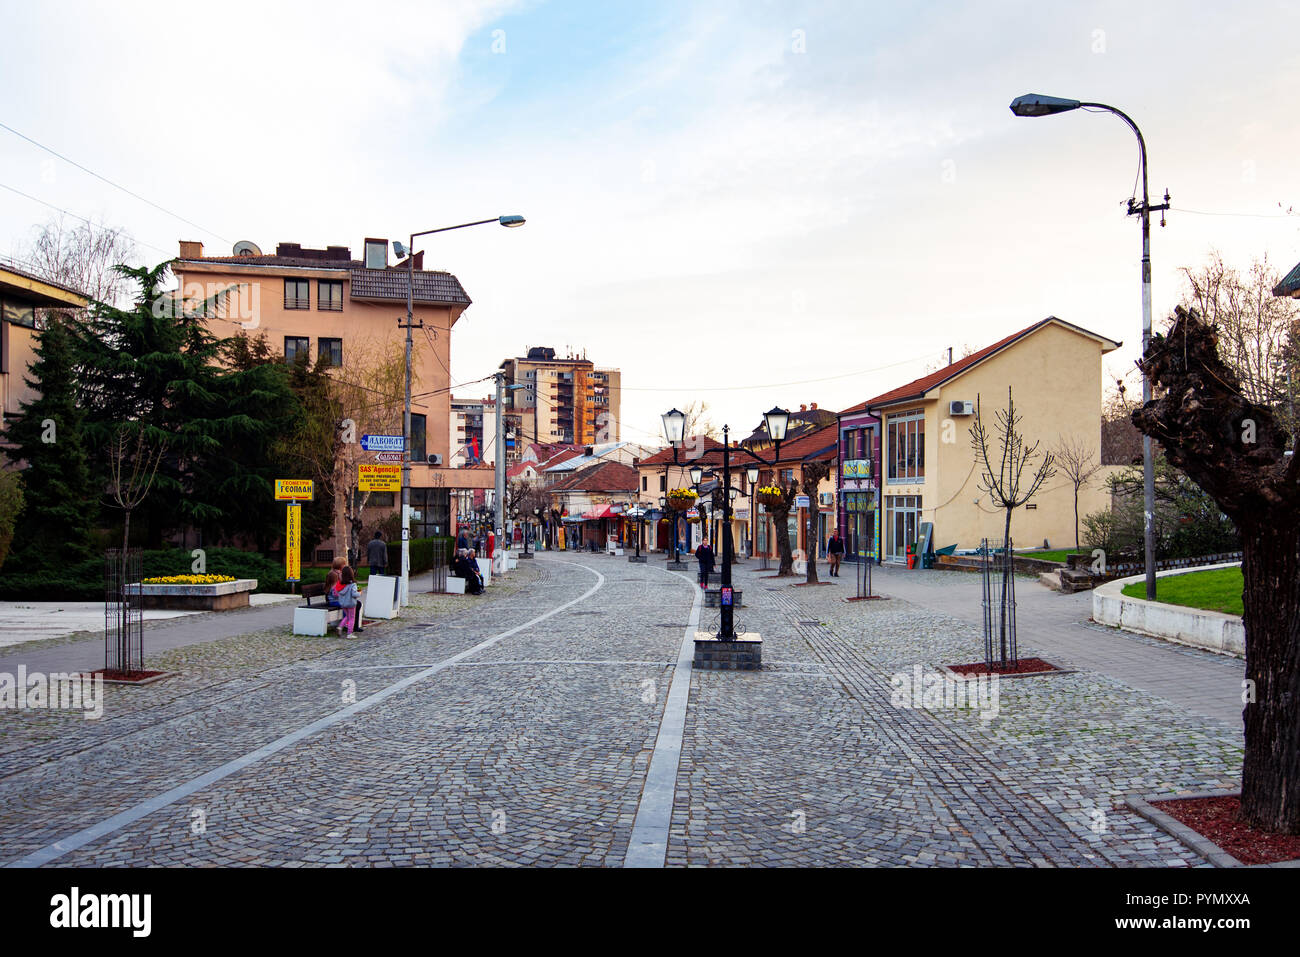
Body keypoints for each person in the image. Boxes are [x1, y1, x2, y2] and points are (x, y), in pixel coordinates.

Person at [336, 566, 362, 637]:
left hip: (343, 604)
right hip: (351, 604)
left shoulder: (341, 584)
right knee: (351, 618)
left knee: (347, 616)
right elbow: (354, 594)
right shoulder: (352, 584)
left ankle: (340, 626)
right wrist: (359, 593)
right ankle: (349, 633)